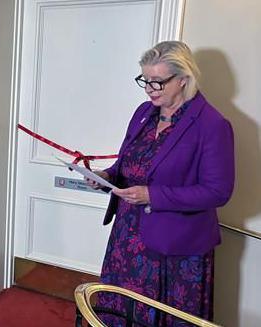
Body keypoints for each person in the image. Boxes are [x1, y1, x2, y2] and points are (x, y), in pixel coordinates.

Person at [87, 41, 235, 325]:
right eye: (145, 80)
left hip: (175, 245)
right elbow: (131, 163)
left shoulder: (212, 125)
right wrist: (107, 176)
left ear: (183, 79)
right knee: (122, 310)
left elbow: (218, 191)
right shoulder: (144, 113)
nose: (149, 89)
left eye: (158, 82)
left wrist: (153, 196)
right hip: (128, 235)